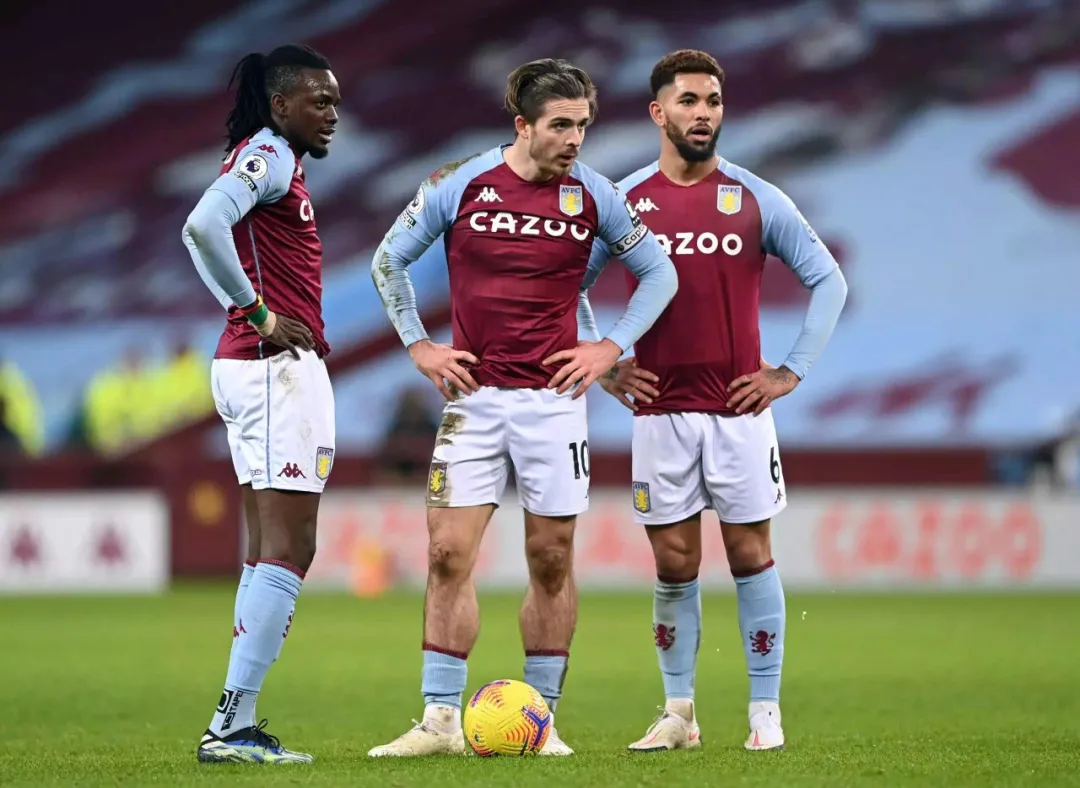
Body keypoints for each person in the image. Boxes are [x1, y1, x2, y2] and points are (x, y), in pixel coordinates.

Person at [368, 58, 677, 757]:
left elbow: (660, 272)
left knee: (551, 558)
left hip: (554, 404)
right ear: (523, 125)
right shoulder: (458, 183)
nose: (574, 139)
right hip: (473, 401)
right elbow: (388, 261)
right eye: (560, 125)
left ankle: (542, 720)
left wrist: (608, 348)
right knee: (447, 553)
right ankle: (439, 721)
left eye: (582, 126)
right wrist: (420, 346)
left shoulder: (595, 195)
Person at [585, 49, 848, 752]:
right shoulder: (625, 200)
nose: (703, 114)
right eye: (689, 101)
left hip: (739, 413)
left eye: (713, 102)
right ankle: (679, 713)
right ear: (658, 112)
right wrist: (605, 365)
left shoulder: (756, 197)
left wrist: (791, 371)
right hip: (659, 413)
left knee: (750, 554)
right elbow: (567, 285)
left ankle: (765, 710)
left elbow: (829, 281)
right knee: (674, 563)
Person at [180, 43, 340, 764]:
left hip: (249, 366)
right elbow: (201, 227)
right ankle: (231, 726)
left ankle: (233, 722)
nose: (332, 114)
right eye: (319, 100)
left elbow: (204, 240)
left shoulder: (269, 159)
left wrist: (243, 312)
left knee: (264, 548)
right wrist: (261, 315)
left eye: (335, 102)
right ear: (281, 104)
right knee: (290, 546)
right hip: (274, 370)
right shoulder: (269, 154)